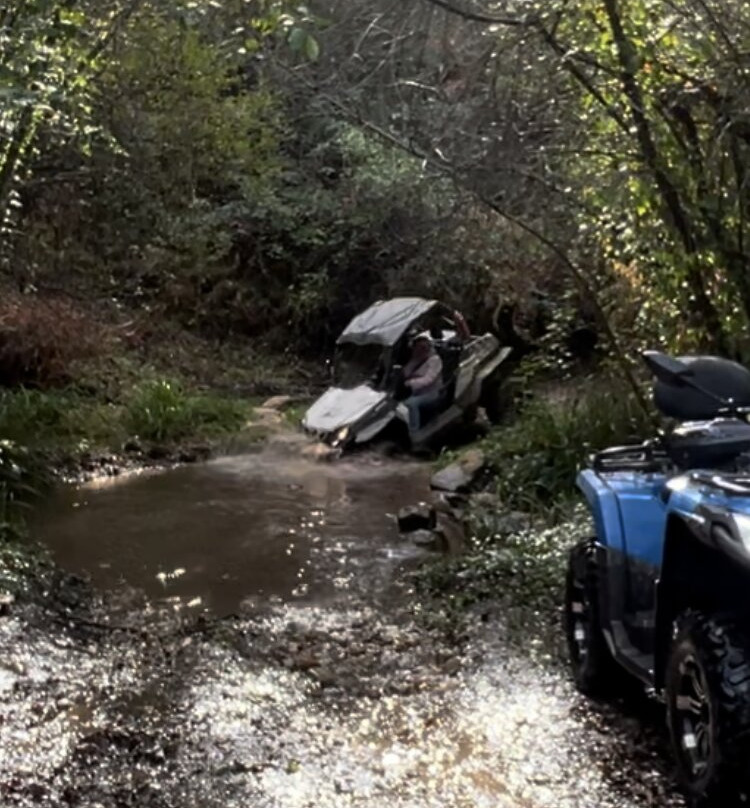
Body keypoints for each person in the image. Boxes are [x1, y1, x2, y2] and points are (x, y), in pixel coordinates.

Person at [402, 333, 443, 432]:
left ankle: (414, 430)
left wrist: (410, 383)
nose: (422, 349)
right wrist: (415, 360)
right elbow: (405, 374)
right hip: (415, 392)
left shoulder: (435, 360)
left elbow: (428, 379)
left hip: (431, 392)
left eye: (424, 347)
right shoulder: (415, 360)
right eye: (419, 347)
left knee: (410, 404)